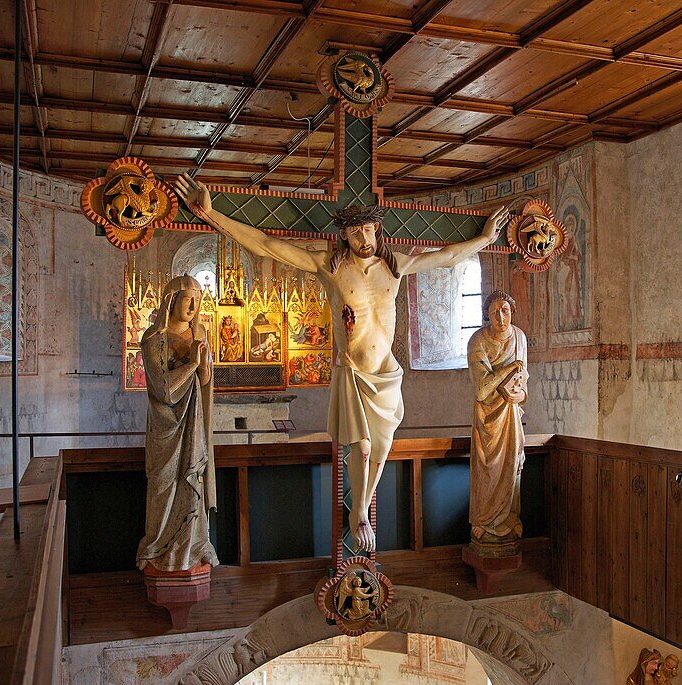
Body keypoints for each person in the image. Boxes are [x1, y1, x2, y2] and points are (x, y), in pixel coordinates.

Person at [176, 172, 507, 552]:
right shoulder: (330, 267)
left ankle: (362, 505)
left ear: (377, 230)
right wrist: (210, 213)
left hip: (387, 376)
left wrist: (483, 239)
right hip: (352, 372)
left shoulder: (395, 266)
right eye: (356, 233)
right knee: (362, 447)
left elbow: (445, 257)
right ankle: (359, 514)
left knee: (382, 451)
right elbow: (267, 246)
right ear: (344, 236)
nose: (365, 239)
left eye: (369, 230)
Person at [137, 275, 219, 572]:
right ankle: (159, 547)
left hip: (193, 424)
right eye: (188, 299)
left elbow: (205, 384)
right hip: (167, 428)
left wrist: (205, 367)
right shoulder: (153, 338)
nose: (194, 306)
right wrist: (193, 364)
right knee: (164, 485)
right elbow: (164, 390)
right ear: (172, 302)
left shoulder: (201, 335)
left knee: (192, 480)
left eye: (198, 300)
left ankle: (194, 545)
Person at [467, 291, 528, 549]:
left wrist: (519, 393)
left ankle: (509, 519)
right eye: (495, 312)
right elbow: (482, 389)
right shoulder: (477, 341)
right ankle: (483, 521)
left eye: (506, 310)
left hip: (511, 415)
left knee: (512, 465)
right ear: (487, 315)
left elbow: (524, 383)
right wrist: (509, 368)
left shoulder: (520, 337)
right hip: (487, 419)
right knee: (487, 470)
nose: (501, 317)